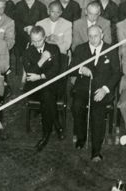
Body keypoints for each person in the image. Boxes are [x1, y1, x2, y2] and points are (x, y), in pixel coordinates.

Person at [71, 25, 119, 161]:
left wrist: (105, 89)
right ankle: (81, 138)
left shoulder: (111, 50)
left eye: (96, 36)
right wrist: (81, 69)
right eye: (90, 36)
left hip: (102, 90)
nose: (93, 39)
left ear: (102, 34)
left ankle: (96, 151)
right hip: (83, 88)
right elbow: (71, 68)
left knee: (97, 115)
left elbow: (116, 73)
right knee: (76, 107)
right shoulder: (81, 49)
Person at [23, 25, 64, 152]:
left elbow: (56, 70)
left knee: (47, 95)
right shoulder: (28, 51)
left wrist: (40, 76)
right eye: (33, 41)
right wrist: (43, 60)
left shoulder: (54, 48)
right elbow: (29, 73)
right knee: (47, 96)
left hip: (51, 84)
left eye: (39, 40)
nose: (36, 44)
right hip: (34, 88)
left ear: (45, 38)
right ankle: (56, 125)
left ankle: (46, 133)